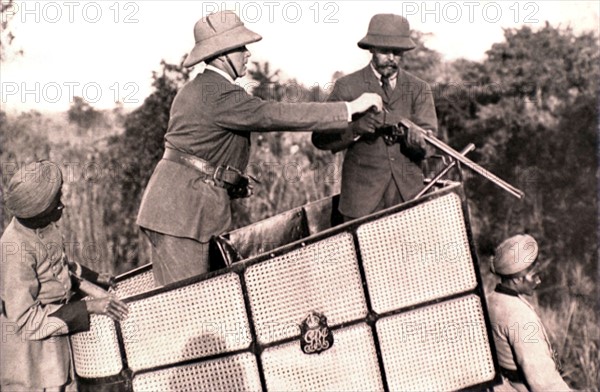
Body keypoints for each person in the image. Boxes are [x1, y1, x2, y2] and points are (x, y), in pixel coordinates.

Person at [136, 10, 383, 286]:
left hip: (176, 210)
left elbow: (201, 149)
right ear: (222, 55)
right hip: (183, 216)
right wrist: (349, 108)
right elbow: (273, 114)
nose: (247, 54)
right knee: (190, 305)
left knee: (189, 301)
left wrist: (232, 180)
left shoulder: (199, 89)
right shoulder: (218, 92)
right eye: (240, 47)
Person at [1, 160, 129, 392]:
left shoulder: (44, 228)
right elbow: (26, 321)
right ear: (39, 208)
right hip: (30, 358)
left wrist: (95, 277)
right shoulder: (15, 250)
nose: (63, 205)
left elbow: (60, 266)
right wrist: (89, 308)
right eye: (56, 201)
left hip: (55, 344)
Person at [312, 14, 438, 221]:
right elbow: (320, 139)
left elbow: (431, 144)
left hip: (409, 197)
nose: (391, 58)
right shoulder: (347, 86)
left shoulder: (419, 88)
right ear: (371, 49)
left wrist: (417, 142)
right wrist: (355, 129)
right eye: (384, 51)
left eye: (397, 52)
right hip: (362, 202)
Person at [487, 234, 572, 391]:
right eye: (534, 275)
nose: (538, 280)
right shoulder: (519, 316)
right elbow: (542, 381)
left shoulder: (491, 300)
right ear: (516, 279)